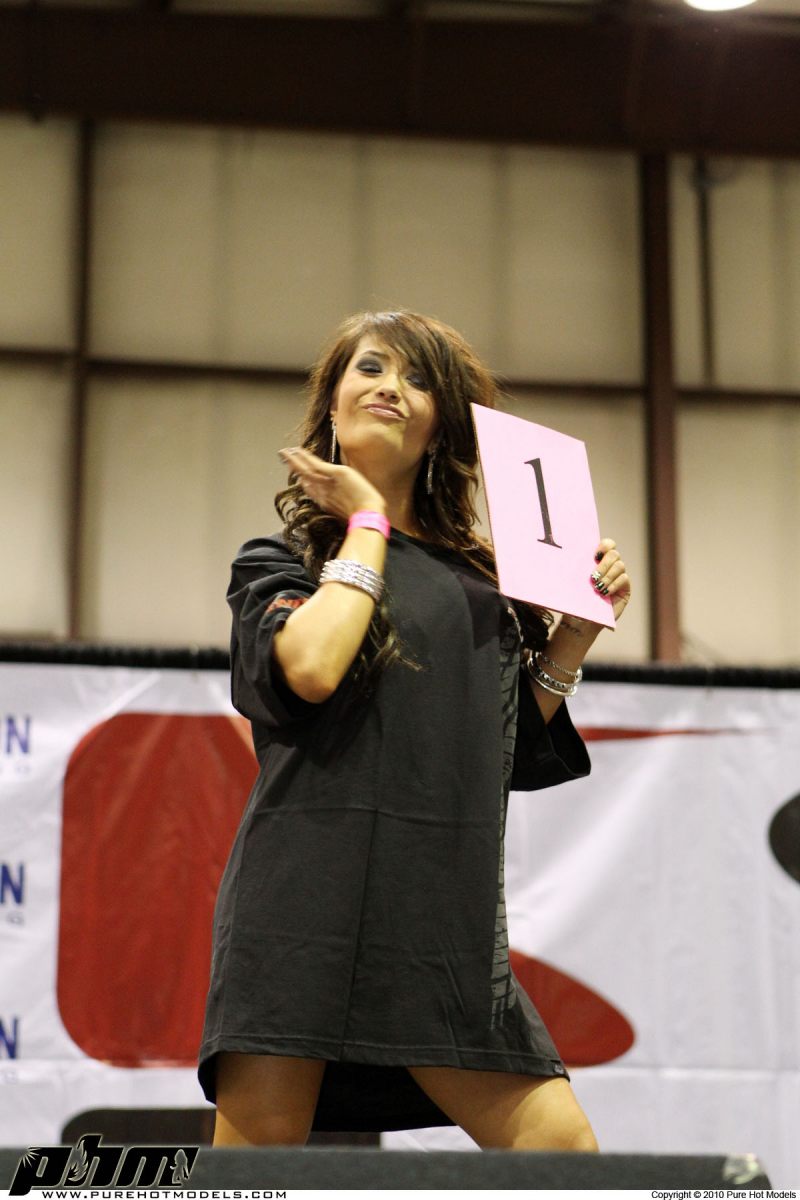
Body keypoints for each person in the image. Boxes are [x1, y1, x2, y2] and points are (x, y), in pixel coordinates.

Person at [198, 309, 631, 1151]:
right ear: (331, 405)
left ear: (441, 428)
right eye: (370, 368)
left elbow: (500, 748)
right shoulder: (277, 563)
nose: (392, 387)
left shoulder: (487, 581)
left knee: (561, 1155)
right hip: (302, 909)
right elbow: (312, 668)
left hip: (443, 921)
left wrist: (574, 636)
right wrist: (366, 522)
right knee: (254, 1175)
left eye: (419, 379)